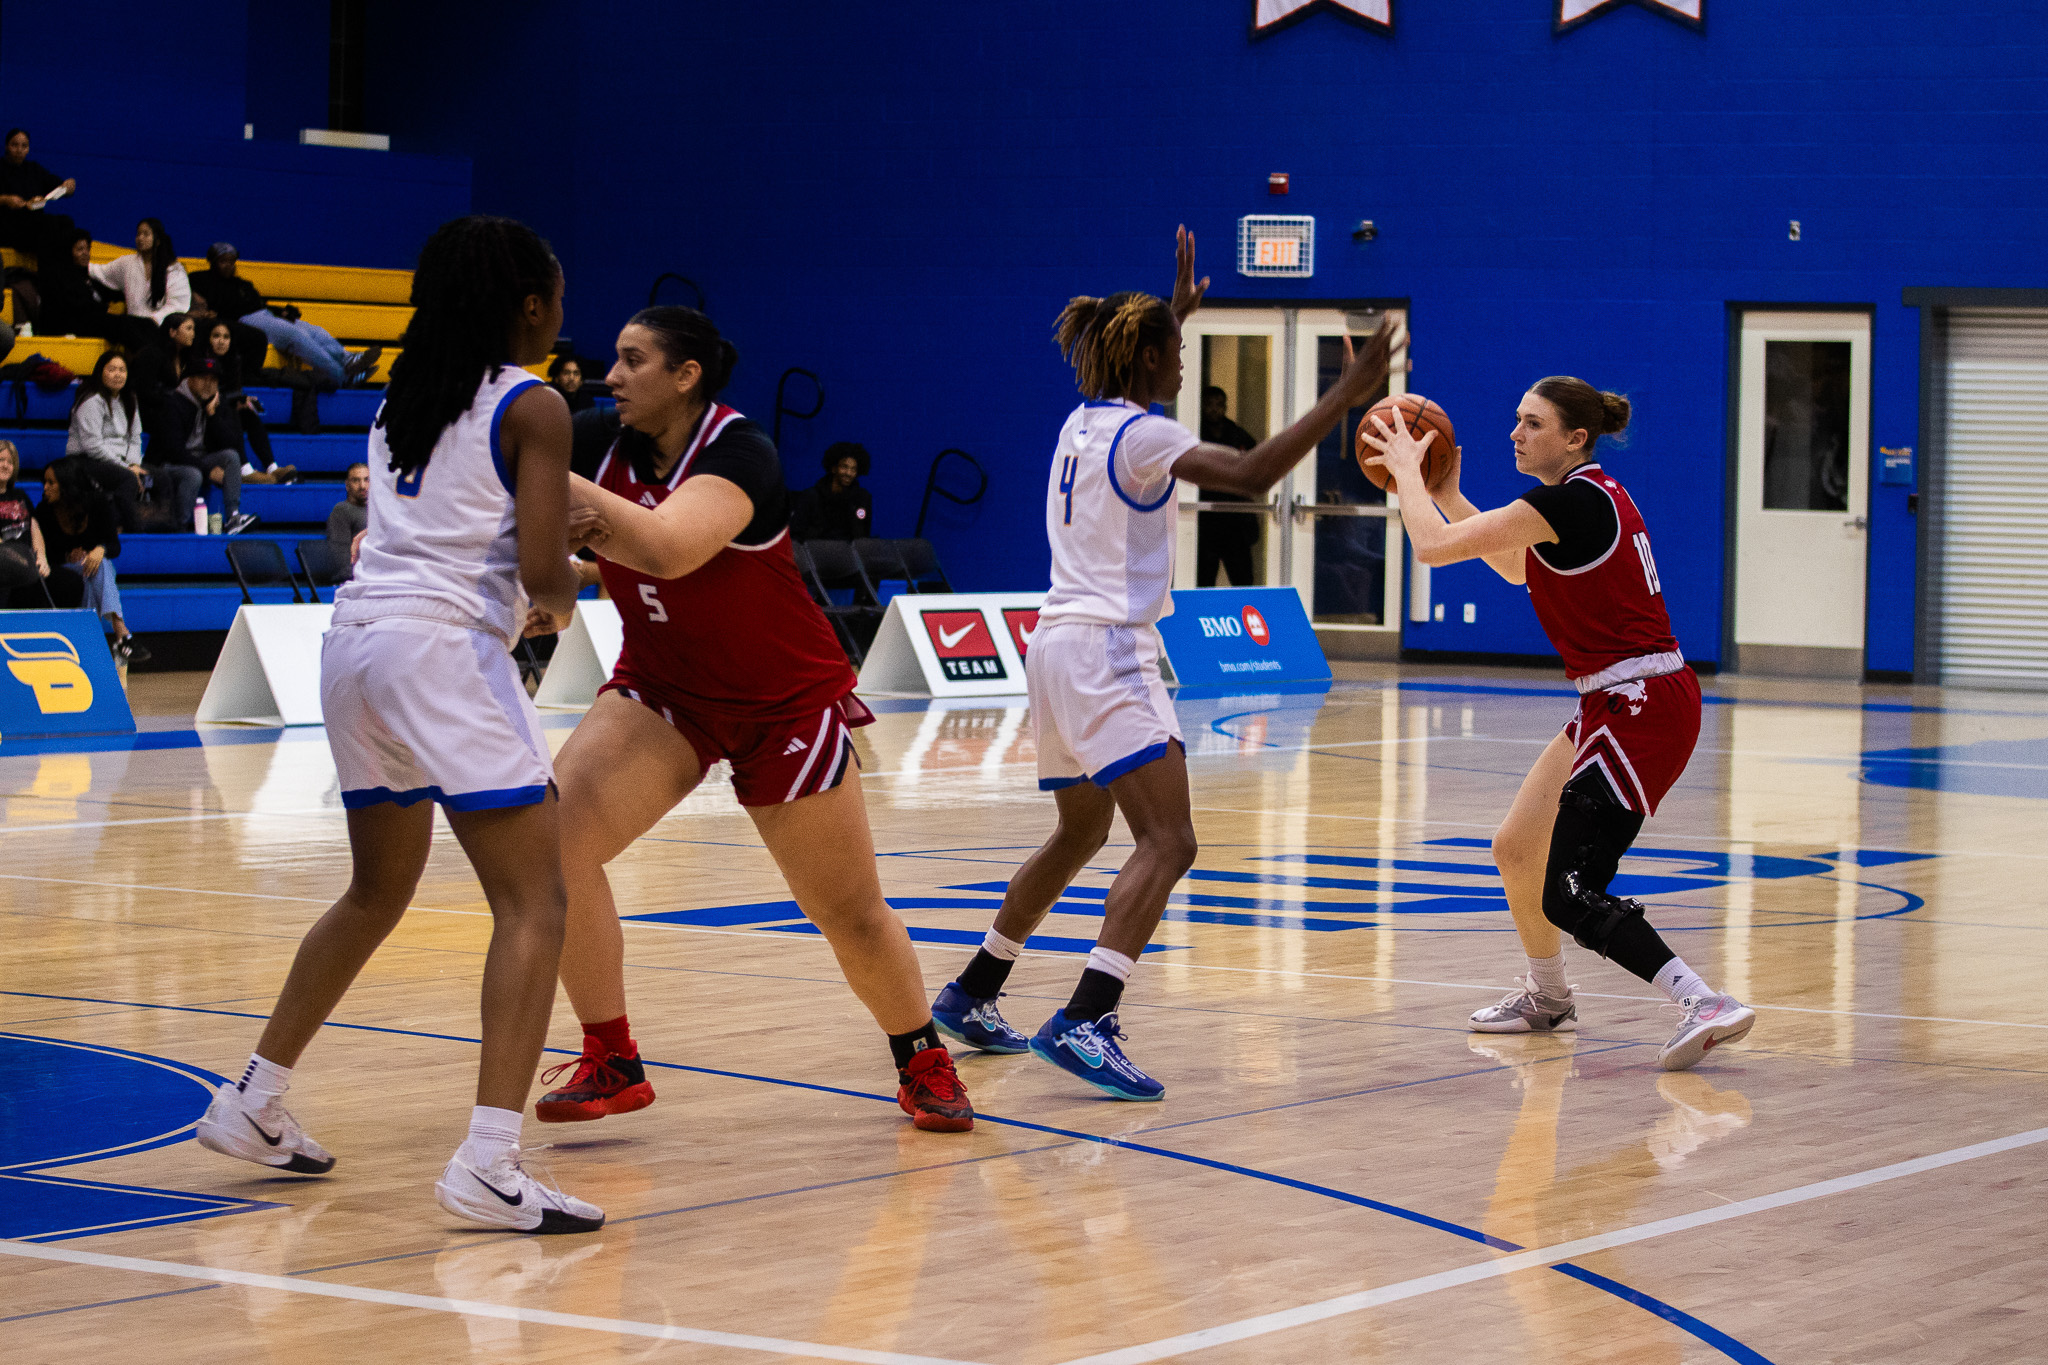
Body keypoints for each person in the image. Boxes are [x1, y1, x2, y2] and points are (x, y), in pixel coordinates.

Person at [194, 214, 601, 1234]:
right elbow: (546, 580)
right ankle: (490, 1163)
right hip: (440, 654)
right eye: (554, 296)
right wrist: (605, 566)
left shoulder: (401, 401)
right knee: (535, 901)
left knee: (375, 891)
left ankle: (250, 1095)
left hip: (355, 645)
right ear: (526, 305)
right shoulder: (534, 403)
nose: (562, 312)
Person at [927, 228, 1402, 1101]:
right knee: (1170, 839)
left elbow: (1134, 373)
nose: (1185, 365)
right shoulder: (1145, 435)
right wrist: (1349, 391)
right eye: (1176, 350)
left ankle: (973, 991)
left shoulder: (1083, 418)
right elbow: (1254, 473)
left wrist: (1173, 309)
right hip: (1110, 650)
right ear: (1146, 357)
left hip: (1054, 643)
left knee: (1079, 832)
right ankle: (1085, 1017)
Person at [529, 305, 974, 1135]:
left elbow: (666, 548)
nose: (611, 377)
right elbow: (517, 498)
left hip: (780, 703)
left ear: (686, 374)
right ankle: (612, 1057)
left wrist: (537, 466)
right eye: (613, 362)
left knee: (847, 909)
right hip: (664, 690)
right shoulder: (601, 440)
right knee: (553, 846)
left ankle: (922, 1057)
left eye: (632, 361)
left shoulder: (743, 449)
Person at [1359, 376, 1756, 1072]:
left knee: (1568, 888)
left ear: (1575, 438)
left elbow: (1429, 547)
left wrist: (1403, 475)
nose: (1515, 433)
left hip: (1642, 703)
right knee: (1517, 847)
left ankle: (1703, 1000)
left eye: (1532, 422)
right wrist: (1445, 492)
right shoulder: (1576, 503)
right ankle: (1549, 995)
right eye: (1515, 419)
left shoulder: (1571, 500)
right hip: (1614, 701)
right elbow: (1516, 565)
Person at [188, 242, 380, 391]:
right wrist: (204, 312)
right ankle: (342, 377)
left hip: (264, 315)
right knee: (298, 337)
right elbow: (195, 302)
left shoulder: (242, 283)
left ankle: (347, 360)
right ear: (212, 261)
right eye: (223, 261)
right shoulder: (200, 280)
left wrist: (282, 312)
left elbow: (261, 304)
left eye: (232, 261)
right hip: (245, 321)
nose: (228, 266)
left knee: (314, 331)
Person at [34, 456, 146, 659]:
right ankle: (122, 634)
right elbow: (44, 553)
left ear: (66, 484)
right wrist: (68, 557)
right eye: (44, 482)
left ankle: (89, 641)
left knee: (99, 565)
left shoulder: (98, 504)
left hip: (90, 568)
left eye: (51, 483)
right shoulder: (44, 511)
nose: (45, 488)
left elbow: (114, 545)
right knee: (99, 568)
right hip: (61, 572)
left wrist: (100, 549)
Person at [150, 353, 258, 534]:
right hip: (167, 464)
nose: (208, 384)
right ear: (190, 379)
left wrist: (212, 415)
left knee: (231, 456)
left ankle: (232, 516)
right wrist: (207, 470)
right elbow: (173, 451)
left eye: (213, 379)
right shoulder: (172, 403)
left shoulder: (216, 402)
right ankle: (180, 526)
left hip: (198, 460)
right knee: (193, 474)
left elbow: (231, 443)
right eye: (202, 378)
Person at [65, 350, 172, 533]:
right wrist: (125, 467)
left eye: (122, 370)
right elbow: (92, 446)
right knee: (127, 478)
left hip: (119, 461)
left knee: (161, 477)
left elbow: (135, 437)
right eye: (112, 369)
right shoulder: (91, 401)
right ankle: (130, 527)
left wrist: (133, 463)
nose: (118, 374)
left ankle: (164, 526)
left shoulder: (129, 399)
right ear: (101, 372)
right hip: (86, 460)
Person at [204, 318, 294, 483]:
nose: (221, 341)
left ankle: (272, 467)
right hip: (206, 414)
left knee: (248, 413)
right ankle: (244, 468)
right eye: (216, 336)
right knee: (234, 413)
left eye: (226, 337)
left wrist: (242, 400)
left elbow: (232, 391)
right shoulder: (203, 362)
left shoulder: (233, 360)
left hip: (225, 408)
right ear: (207, 339)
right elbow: (206, 395)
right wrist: (232, 402)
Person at [88, 219, 190, 360]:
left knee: (131, 329)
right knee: (112, 321)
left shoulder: (173, 269)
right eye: (138, 234)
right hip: (132, 325)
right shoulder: (127, 263)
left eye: (146, 234)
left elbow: (178, 304)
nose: (140, 238)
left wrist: (155, 319)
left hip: (159, 326)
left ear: (158, 240)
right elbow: (100, 271)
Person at [1195, 385, 1262, 587]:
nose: (1214, 410)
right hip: (1206, 522)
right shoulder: (1195, 434)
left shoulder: (1237, 435)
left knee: (1243, 581)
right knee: (1203, 582)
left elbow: (1256, 464)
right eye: (1209, 405)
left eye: (1219, 405)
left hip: (1235, 523)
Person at [0, 128, 79, 265]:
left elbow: (60, 188)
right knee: (47, 228)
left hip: (34, 222)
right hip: (10, 225)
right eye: (14, 145)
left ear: (28, 149)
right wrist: (5, 200)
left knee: (66, 222)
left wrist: (69, 186)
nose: (19, 150)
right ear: (7, 146)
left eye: (24, 146)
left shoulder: (34, 169)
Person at [26, 229, 111, 338]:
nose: (86, 253)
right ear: (69, 252)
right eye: (80, 249)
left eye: (88, 249)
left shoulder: (89, 277)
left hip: (90, 323)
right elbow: (77, 306)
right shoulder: (61, 278)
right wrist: (103, 309)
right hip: (67, 328)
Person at [0, 440, 53, 604]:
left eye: (10, 462)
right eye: (1, 460)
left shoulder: (20, 494)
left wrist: (41, 557)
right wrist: (19, 560)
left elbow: (34, 527)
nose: (6, 465)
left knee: (71, 582)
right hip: (6, 559)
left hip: (28, 560)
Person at [789, 441, 875, 542]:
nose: (849, 473)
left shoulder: (861, 499)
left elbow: (863, 537)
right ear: (834, 468)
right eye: (844, 467)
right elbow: (796, 535)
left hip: (848, 556)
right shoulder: (811, 496)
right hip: (815, 554)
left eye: (853, 469)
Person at [328, 462, 369, 547]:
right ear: (347, 485)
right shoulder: (341, 511)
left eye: (366, 480)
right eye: (356, 480)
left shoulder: (379, 510)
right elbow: (340, 554)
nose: (362, 486)